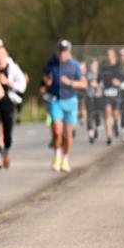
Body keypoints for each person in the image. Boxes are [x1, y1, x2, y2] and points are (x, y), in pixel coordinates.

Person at [42, 40, 87, 172]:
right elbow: (45, 78)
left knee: (68, 134)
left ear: (69, 51)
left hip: (70, 100)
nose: (62, 54)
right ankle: (57, 156)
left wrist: (70, 82)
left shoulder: (74, 65)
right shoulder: (51, 63)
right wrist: (47, 81)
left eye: (65, 51)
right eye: (60, 51)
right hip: (55, 100)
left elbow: (84, 83)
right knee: (57, 131)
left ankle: (65, 159)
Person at [0, 45, 26, 168]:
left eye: (2, 54)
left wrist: (8, 82)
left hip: (8, 101)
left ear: (6, 55)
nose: (0, 57)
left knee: (7, 132)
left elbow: (22, 85)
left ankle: (6, 150)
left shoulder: (13, 68)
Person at [99, 47, 124, 146]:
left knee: (115, 114)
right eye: (108, 55)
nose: (109, 57)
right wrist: (99, 85)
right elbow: (99, 79)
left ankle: (117, 125)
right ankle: (109, 136)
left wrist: (118, 82)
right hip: (107, 93)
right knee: (107, 112)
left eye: (111, 55)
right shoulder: (104, 67)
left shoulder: (119, 66)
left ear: (114, 55)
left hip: (117, 93)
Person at [85, 57, 104, 144]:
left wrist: (97, 85)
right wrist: (89, 83)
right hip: (89, 97)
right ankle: (91, 135)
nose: (93, 66)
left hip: (98, 97)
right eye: (92, 64)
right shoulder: (86, 74)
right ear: (90, 65)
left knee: (97, 115)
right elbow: (83, 83)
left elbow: (103, 86)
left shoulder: (100, 74)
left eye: (95, 64)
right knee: (89, 116)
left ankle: (97, 128)